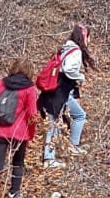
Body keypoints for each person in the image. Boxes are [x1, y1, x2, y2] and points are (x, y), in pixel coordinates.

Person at [0, 60, 39, 198]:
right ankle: (14, 194)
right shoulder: (30, 89)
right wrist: (30, 133)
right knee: (18, 163)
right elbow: (32, 114)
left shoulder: (0, 84)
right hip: (19, 133)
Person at [39, 24, 92, 166]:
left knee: (78, 115)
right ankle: (49, 159)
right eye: (88, 37)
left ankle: (72, 147)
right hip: (59, 93)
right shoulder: (75, 51)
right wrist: (80, 77)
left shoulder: (65, 48)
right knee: (54, 123)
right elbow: (68, 69)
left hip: (57, 91)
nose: (88, 41)